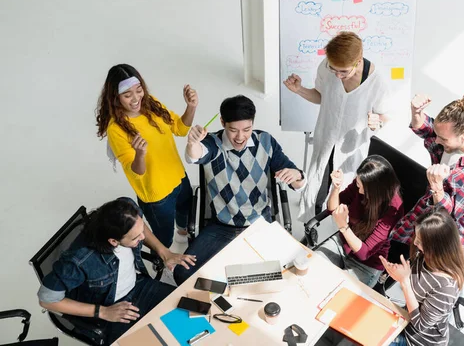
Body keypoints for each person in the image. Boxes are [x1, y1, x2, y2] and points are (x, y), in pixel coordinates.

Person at [174, 95, 306, 285]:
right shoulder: (212, 143)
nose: (240, 137)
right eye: (233, 130)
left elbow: (298, 182)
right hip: (221, 226)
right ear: (222, 122)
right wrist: (192, 144)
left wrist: (297, 176)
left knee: (286, 273)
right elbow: (195, 156)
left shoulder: (265, 141)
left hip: (259, 224)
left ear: (253, 123)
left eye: (246, 129)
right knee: (183, 274)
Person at [37, 198, 196, 345]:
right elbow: (47, 299)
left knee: (194, 318)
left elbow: (139, 227)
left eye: (141, 230)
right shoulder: (79, 260)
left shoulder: (127, 209)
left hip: (139, 286)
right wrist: (103, 312)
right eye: (135, 238)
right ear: (114, 241)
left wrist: (164, 252)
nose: (142, 237)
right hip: (111, 307)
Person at [283, 31, 392, 220]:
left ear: (358, 61)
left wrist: (377, 121)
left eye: (343, 71)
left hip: (351, 149)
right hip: (325, 140)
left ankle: (340, 235)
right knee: (317, 192)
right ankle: (312, 230)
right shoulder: (326, 67)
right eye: (334, 69)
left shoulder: (377, 82)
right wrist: (299, 90)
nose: (337, 75)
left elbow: (384, 116)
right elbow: (321, 96)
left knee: (344, 198)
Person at [95, 63, 198, 248]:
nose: (136, 99)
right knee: (164, 239)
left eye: (139, 90)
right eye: (127, 95)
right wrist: (140, 154)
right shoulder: (116, 129)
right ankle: (167, 260)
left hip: (179, 177)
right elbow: (137, 172)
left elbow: (180, 129)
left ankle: (182, 237)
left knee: (185, 212)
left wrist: (191, 107)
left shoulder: (151, 105)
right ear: (115, 98)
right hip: (157, 196)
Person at [390, 93, 464, 260]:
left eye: (443, 138)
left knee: (416, 275)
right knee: (395, 250)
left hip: (448, 239)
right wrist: (416, 113)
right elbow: (432, 132)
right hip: (430, 209)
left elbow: (449, 215)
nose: (437, 141)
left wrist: (437, 187)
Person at [381, 208, 464, 346]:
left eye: (420, 241)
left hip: (418, 342)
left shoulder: (446, 288)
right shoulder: (424, 257)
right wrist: (400, 274)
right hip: (404, 324)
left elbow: (420, 325)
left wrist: (404, 282)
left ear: (436, 246)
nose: (415, 243)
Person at [315, 155, 403, 287]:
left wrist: (343, 226)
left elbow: (364, 253)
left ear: (376, 190)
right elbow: (332, 209)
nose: (359, 190)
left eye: (363, 187)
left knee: (334, 291)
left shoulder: (393, 207)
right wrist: (336, 187)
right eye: (357, 184)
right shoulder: (360, 183)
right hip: (342, 244)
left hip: (366, 265)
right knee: (311, 266)